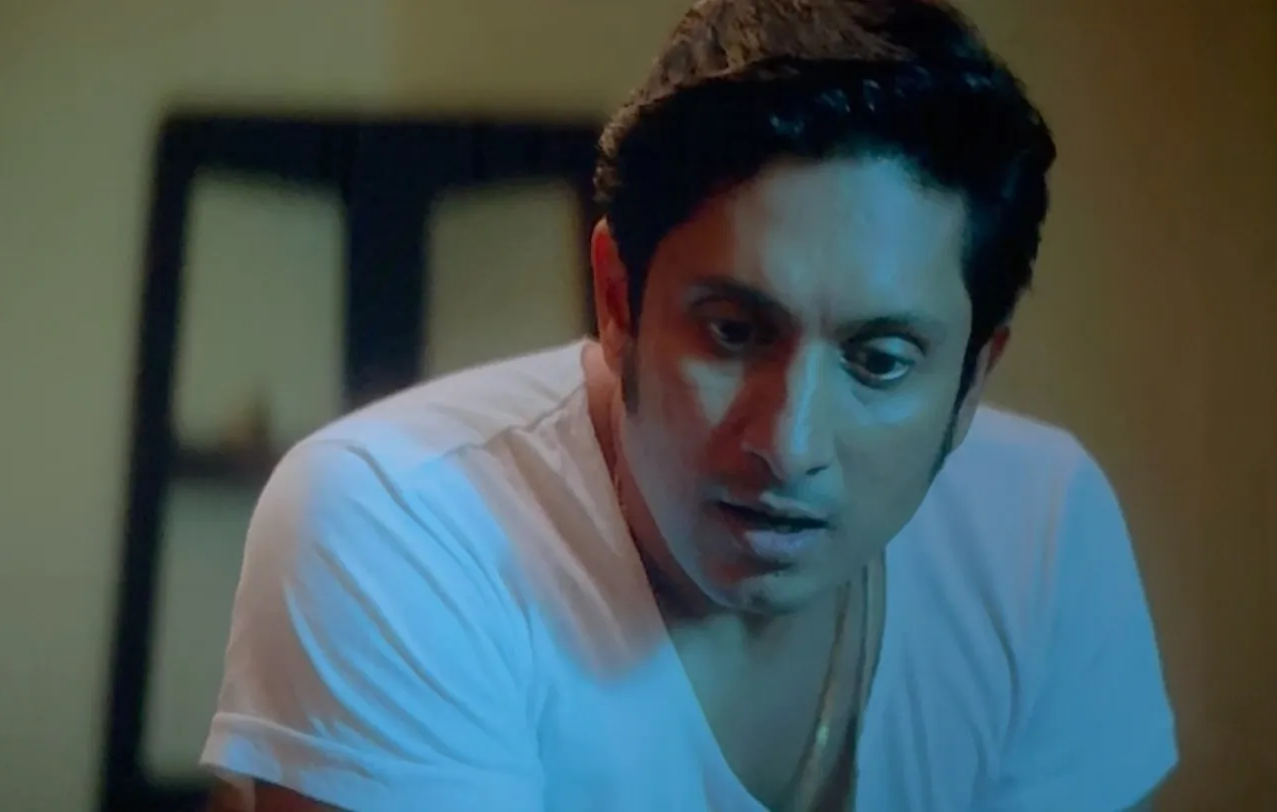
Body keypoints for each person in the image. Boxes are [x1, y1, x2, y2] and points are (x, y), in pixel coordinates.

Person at [200, 0, 1176, 809]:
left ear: (973, 376)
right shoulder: (399, 523)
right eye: (734, 332)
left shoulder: (1039, 535)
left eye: (879, 361)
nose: (790, 444)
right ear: (618, 300)